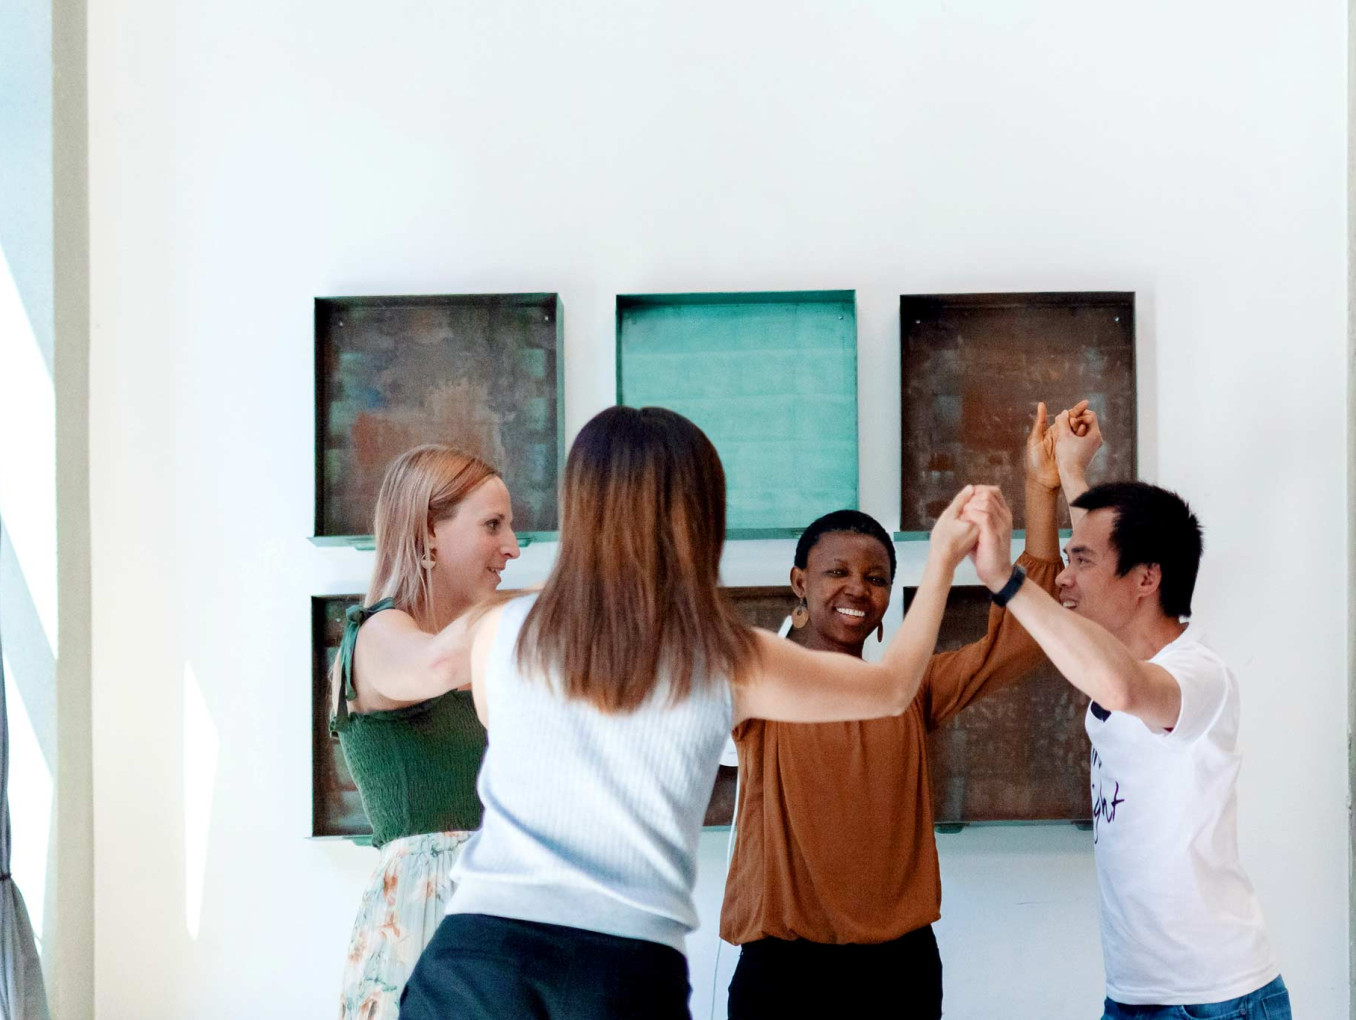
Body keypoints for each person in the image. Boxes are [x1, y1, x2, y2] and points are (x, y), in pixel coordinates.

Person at [399, 405, 985, 1019]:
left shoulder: (500, 630)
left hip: (475, 954)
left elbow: (515, 736)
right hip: (619, 967)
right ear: (700, 514)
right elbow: (892, 688)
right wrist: (941, 558)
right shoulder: (726, 654)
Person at [721, 403, 1067, 1020]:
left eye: (878, 578)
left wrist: (1042, 491)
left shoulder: (909, 689)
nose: (859, 589)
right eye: (838, 572)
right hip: (784, 972)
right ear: (798, 581)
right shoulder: (757, 676)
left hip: (898, 972)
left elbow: (1022, 636)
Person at [962, 408, 1291, 1020]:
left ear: (1146, 579)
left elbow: (1123, 687)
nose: (1063, 578)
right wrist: (1069, 469)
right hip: (1136, 994)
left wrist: (1007, 580)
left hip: (1217, 1002)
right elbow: (1112, 559)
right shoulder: (1121, 635)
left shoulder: (1198, 677)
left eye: (1078, 562)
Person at [331, 445, 521, 1020]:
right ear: (428, 533)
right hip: (426, 921)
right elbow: (437, 664)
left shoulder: (481, 653)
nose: (512, 547)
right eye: (493, 525)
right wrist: (575, 602)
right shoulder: (376, 633)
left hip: (499, 914)